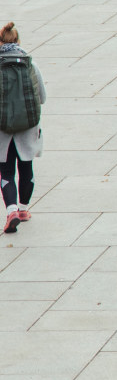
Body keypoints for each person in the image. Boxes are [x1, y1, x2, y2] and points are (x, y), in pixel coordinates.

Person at [0, 21, 44, 234]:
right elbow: (42, 97)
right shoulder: (30, 65)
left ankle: (11, 210)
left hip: (3, 128)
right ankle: (25, 208)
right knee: (26, 167)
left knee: (6, 171)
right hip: (28, 126)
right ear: (18, 40)